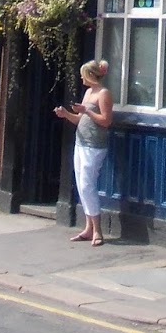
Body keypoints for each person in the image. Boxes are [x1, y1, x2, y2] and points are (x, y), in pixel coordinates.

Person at [54, 58, 112, 245]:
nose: (80, 78)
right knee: (81, 185)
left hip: (94, 145)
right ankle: (88, 228)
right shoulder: (88, 93)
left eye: (82, 74)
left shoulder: (103, 94)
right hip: (80, 143)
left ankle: (98, 231)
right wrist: (66, 114)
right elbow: (80, 119)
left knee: (88, 185)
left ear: (90, 75)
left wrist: (87, 111)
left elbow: (105, 120)